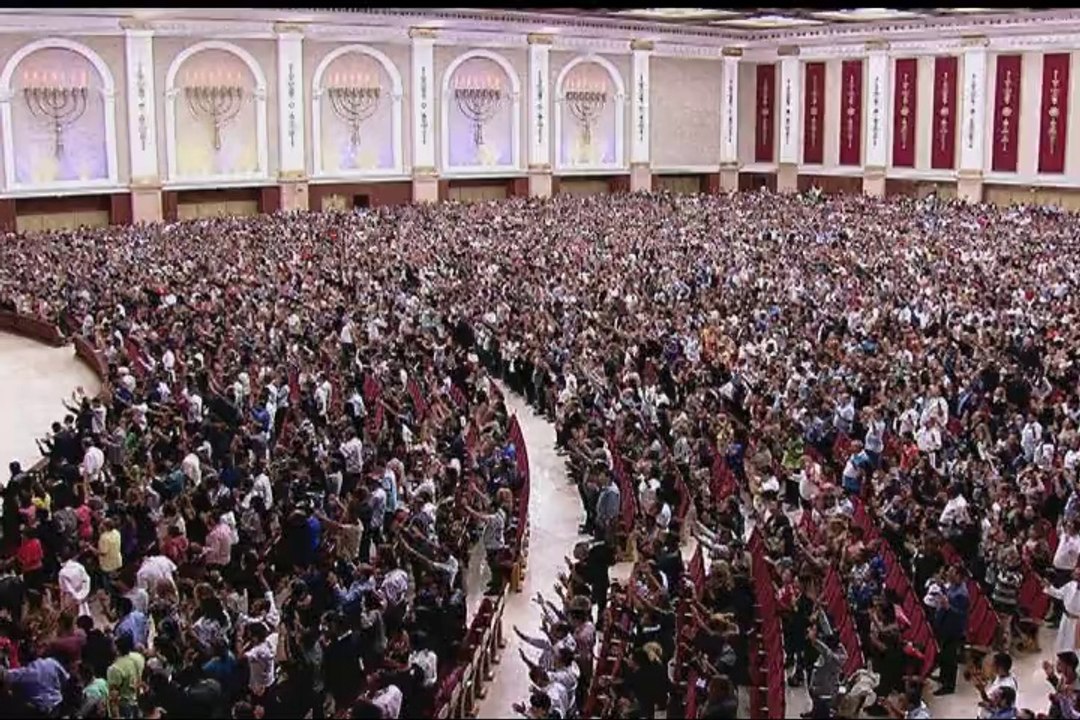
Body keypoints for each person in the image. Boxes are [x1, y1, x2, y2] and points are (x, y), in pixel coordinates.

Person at [932, 565, 969, 696]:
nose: (948, 574)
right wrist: (942, 586)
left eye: (952, 572)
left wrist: (948, 606)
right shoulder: (953, 586)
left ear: (959, 576)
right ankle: (943, 676)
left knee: (950, 657)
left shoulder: (962, 594)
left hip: (953, 628)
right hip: (945, 625)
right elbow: (948, 594)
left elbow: (961, 614)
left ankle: (949, 685)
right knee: (944, 654)